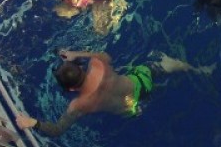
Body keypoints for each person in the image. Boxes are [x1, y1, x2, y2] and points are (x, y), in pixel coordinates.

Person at [16, 50, 153, 136]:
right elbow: (106, 56)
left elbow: (57, 130)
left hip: (130, 110)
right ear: (81, 68)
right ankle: (174, 65)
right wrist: (76, 54)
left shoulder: (80, 104)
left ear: (71, 89)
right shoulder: (98, 64)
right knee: (157, 67)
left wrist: (32, 122)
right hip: (141, 83)